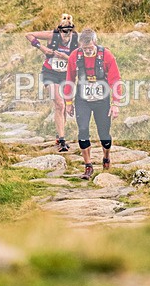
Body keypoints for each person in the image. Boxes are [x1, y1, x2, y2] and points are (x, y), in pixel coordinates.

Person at [63, 28, 122, 180]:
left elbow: (115, 79)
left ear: (94, 42)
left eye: (89, 48)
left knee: (104, 134)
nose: (87, 51)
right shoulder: (75, 56)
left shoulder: (106, 55)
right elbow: (69, 78)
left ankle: (106, 156)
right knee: (82, 130)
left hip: (102, 100)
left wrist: (115, 103)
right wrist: (68, 102)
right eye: (84, 48)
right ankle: (88, 166)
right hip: (82, 99)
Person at [25, 14, 78, 152]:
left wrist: (66, 57)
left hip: (66, 74)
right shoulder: (52, 36)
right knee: (59, 104)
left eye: (68, 33)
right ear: (59, 30)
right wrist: (41, 48)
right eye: (63, 32)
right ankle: (62, 140)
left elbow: (80, 59)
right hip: (50, 73)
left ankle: (60, 134)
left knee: (65, 105)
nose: (65, 36)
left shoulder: (76, 40)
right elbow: (29, 34)